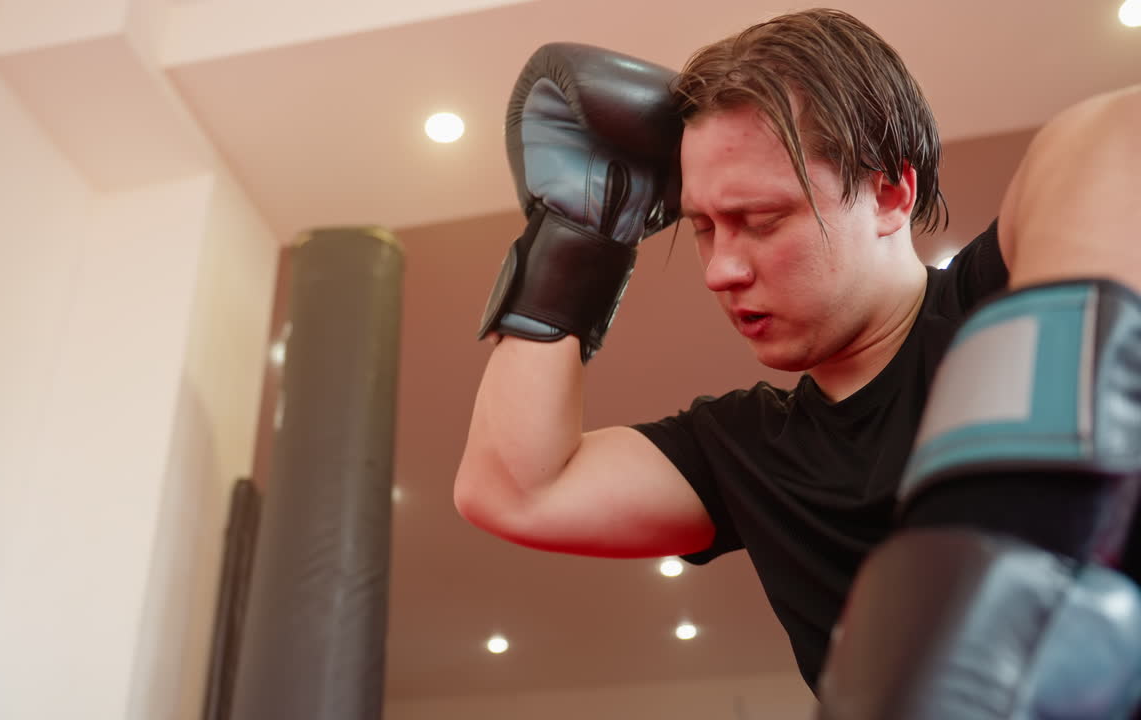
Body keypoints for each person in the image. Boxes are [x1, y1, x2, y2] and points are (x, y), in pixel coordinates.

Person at [454, 8, 1141, 716]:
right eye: (703, 228)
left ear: (890, 193)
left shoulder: (992, 302)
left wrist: (1012, 543)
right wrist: (576, 238)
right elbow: (513, 489)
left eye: (760, 221)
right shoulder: (747, 450)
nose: (721, 269)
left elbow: (1119, 134)